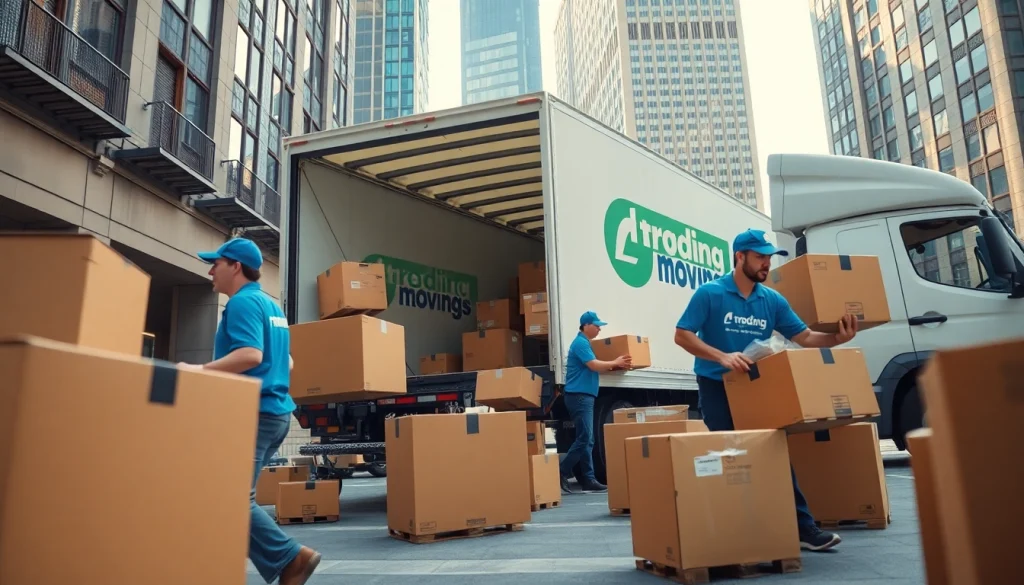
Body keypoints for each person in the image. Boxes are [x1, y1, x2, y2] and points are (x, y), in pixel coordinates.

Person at [674, 229, 858, 552]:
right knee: (732, 454)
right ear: (739, 257)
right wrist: (723, 356)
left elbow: (804, 337)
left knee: (773, 451)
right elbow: (682, 335)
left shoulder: (771, 300)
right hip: (717, 386)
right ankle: (733, 530)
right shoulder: (710, 294)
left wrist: (836, 339)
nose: (766, 264)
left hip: (756, 387)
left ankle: (804, 528)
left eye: (769, 258)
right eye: (760, 257)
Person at [178, 238, 321, 585]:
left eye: (217, 263)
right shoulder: (272, 307)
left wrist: (196, 370)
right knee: (228, 495)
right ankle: (273, 561)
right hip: (275, 414)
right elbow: (285, 360)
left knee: (227, 495)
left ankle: (291, 559)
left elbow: (251, 355)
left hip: (252, 414)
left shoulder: (242, 304)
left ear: (236, 267)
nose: (211, 270)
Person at [559, 311, 632, 495]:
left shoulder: (586, 344)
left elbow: (594, 370)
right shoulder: (581, 343)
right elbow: (594, 365)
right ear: (586, 325)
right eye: (597, 325)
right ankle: (562, 471)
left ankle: (589, 479)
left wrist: (615, 365)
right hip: (579, 396)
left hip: (584, 396)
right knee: (585, 438)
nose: (599, 328)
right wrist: (614, 361)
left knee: (588, 440)